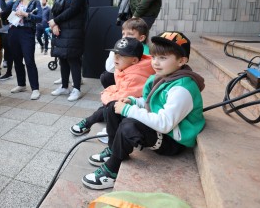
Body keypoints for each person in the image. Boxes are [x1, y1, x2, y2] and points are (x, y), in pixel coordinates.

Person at [82, 31, 205, 190]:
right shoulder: (163, 76)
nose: (156, 63)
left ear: (182, 60)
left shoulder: (182, 88)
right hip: (163, 129)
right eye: (154, 57)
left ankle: (112, 169)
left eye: (163, 58)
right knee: (113, 106)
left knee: (129, 125)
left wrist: (128, 109)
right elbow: (150, 103)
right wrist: (133, 101)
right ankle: (114, 149)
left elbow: (164, 123)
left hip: (173, 141)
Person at [70, 37, 154, 136]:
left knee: (109, 106)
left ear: (134, 60)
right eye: (115, 53)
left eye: (122, 55)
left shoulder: (135, 76)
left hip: (137, 109)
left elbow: (121, 97)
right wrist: (109, 91)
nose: (116, 58)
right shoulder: (126, 67)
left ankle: (89, 123)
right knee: (107, 102)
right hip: (129, 100)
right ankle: (90, 122)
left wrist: (106, 95)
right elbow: (119, 87)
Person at [0, 0, 42, 100]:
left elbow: (39, 18)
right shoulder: (15, 0)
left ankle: (35, 88)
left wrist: (26, 14)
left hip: (26, 32)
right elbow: (4, 9)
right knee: (17, 60)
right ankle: (21, 84)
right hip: (13, 31)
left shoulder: (34, 1)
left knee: (29, 60)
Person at [49, 0, 88, 102]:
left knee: (73, 59)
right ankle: (64, 87)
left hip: (74, 31)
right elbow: (54, 11)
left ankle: (76, 89)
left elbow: (73, 10)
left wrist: (56, 21)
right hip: (62, 30)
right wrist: (55, 25)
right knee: (62, 58)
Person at [100, 18, 150, 89]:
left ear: (141, 38)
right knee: (106, 76)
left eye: (130, 34)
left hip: (135, 82)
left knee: (107, 76)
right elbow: (109, 68)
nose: (125, 37)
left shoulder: (145, 52)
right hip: (126, 77)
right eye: (123, 34)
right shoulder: (125, 47)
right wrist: (115, 51)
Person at [0, 0, 15, 81]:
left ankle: (9, 72)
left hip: (7, 28)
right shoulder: (0, 2)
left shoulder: (12, 2)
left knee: (8, 51)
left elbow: (3, 12)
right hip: (0, 28)